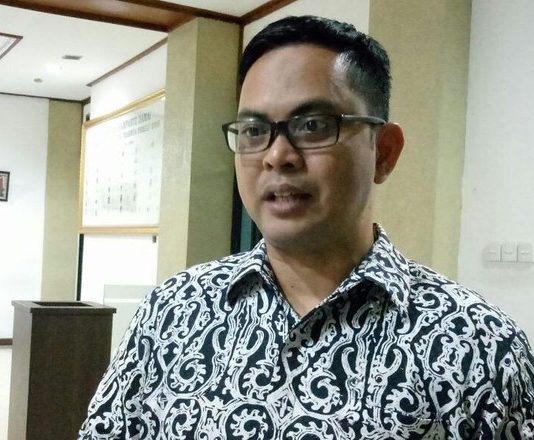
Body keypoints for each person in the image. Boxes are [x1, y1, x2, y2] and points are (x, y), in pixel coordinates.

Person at [79, 15, 534, 439]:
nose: (277, 155)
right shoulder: (173, 312)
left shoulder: (480, 347)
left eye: (313, 125)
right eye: (254, 131)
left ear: (384, 151)